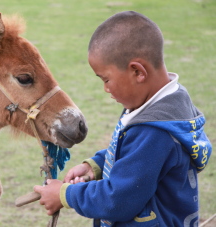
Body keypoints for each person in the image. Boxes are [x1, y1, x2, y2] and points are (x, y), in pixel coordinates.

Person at [34, 11, 212, 226]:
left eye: (106, 79)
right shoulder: (161, 103)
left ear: (137, 72)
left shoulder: (155, 131)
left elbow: (118, 200)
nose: (106, 89)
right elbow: (134, 153)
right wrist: (97, 165)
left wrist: (66, 195)